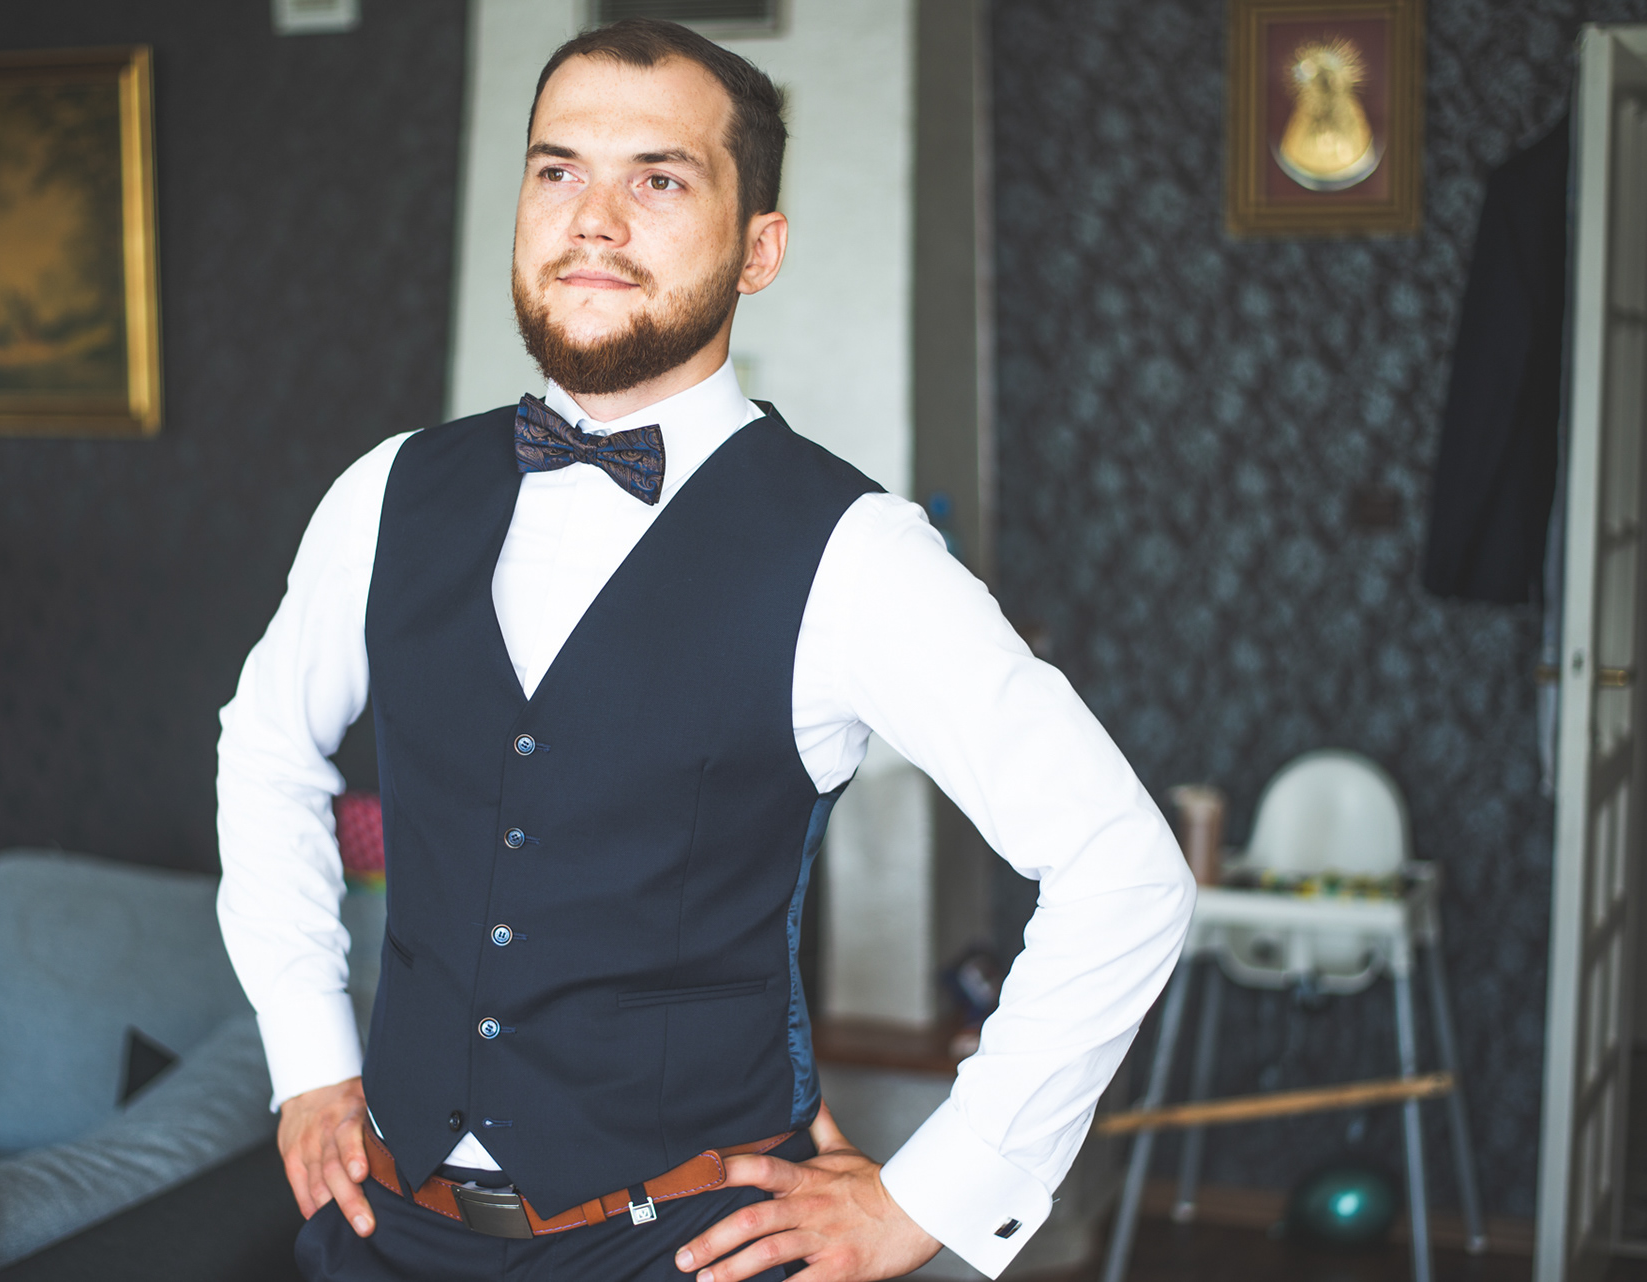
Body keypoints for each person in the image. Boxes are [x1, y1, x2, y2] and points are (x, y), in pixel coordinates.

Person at [216, 18, 1193, 1282]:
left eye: (660, 179)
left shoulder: (855, 552)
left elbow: (1124, 867)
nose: (594, 219)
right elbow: (265, 748)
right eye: (558, 170)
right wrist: (307, 1055)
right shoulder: (386, 491)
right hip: (382, 1230)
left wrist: (931, 1197)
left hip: (687, 1247)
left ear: (759, 249)